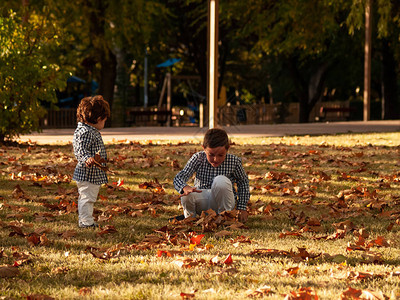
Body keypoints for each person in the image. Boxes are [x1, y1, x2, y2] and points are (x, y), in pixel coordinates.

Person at [173, 128, 250, 223]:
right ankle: (191, 220)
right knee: (186, 194)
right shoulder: (198, 158)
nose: (216, 159)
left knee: (220, 181)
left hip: (224, 200)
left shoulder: (233, 161)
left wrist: (242, 208)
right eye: (211, 155)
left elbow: (243, 182)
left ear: (227, 149)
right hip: (202, 199)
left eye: (221, 155)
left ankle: (224, 218)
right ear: (203, 148)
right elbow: (179, 177)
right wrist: (184, 187)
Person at [72, 95, 110, 228]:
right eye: (104, 120)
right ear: (98, 118)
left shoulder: (87, 130)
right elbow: (80, 148)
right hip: (88, 173)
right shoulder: (86, 132)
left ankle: (85, 220)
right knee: (87, 198)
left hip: (92, 173)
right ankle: (86, 222)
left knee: (87, 197)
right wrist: (86, 158)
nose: (104, 123)